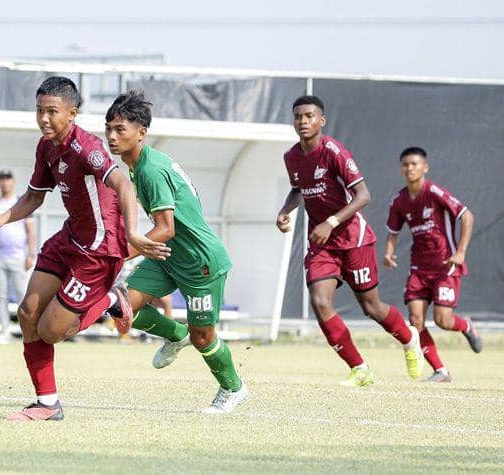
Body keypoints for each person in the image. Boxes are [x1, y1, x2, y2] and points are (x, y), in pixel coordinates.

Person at [0, 76, 169, 421]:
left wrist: (133, 234)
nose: (44, 119)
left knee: (52, 330)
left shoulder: (87, 147)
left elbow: (123, 184)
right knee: (27, 313)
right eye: (39, 111)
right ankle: (47, 403)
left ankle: (113, 299)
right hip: (69, 238)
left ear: (73, 113)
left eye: (52, 112)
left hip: (99, 249)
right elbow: (35, 195)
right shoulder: (46, 147)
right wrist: (3, 217)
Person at [105, 90, 247, 414]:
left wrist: (118, 254)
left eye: (120, 129)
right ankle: (175, 335)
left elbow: (166, 227)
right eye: (108, 128)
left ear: (141, 132)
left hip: (199, 262)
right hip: (167, 255)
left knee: (204, 337)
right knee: (122, 307)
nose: (112, 136)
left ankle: (232, 388)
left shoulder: (150, 170)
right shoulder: (137, 166)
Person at [277, 95, 422, 387]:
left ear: (321, 120)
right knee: (320, 301)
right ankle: (359, 368)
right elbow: (298, 190)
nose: (302, 122)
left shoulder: (334, 152)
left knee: (371, 308)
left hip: (354, 241)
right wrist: (285, 210)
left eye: (308, 116)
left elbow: (364, 195)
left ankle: (409, 338)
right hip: (321, 244)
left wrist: (331, 222)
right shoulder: (292, 156)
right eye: (298, 117)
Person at [384, 147, 483, 382]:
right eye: (405, 164)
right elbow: (393, 231)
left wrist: (460, 252)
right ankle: (441, 371)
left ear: (425, 167)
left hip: (445, 267)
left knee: (443, 320)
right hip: (419, 270)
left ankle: (466, 326)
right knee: (415, 321)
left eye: (414, 164)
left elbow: (467, 216)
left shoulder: (434, 192)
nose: (410, 168)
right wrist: (388, 253)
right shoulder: (399, 200)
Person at [0, 169, 37, 345]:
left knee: (22, 294)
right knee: (1, 295)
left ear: (13, 182)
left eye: (8, 179)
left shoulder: (21, 202)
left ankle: (26, 330)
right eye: (2, 179)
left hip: (18, 256)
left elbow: (30, 231)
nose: (5, 183)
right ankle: (4, 330)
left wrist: (31, 254)